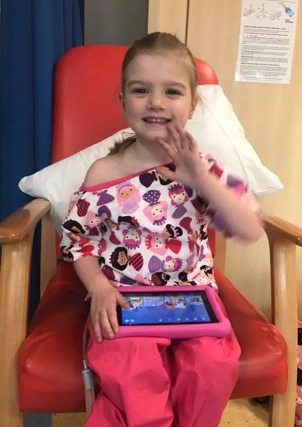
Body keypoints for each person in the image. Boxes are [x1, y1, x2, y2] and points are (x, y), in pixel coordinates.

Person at [60, 31, 262, 427]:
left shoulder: (205, 170)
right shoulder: (103, 174)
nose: (155, 102)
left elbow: (250, 228)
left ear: (192, 103)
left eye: (172, 91)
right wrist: (99, 287)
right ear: (122, 101)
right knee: (133, 374)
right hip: (125, 298)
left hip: (193, 298)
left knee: (212, 366)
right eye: (140, 90)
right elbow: (77, 240)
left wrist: (202, 180)